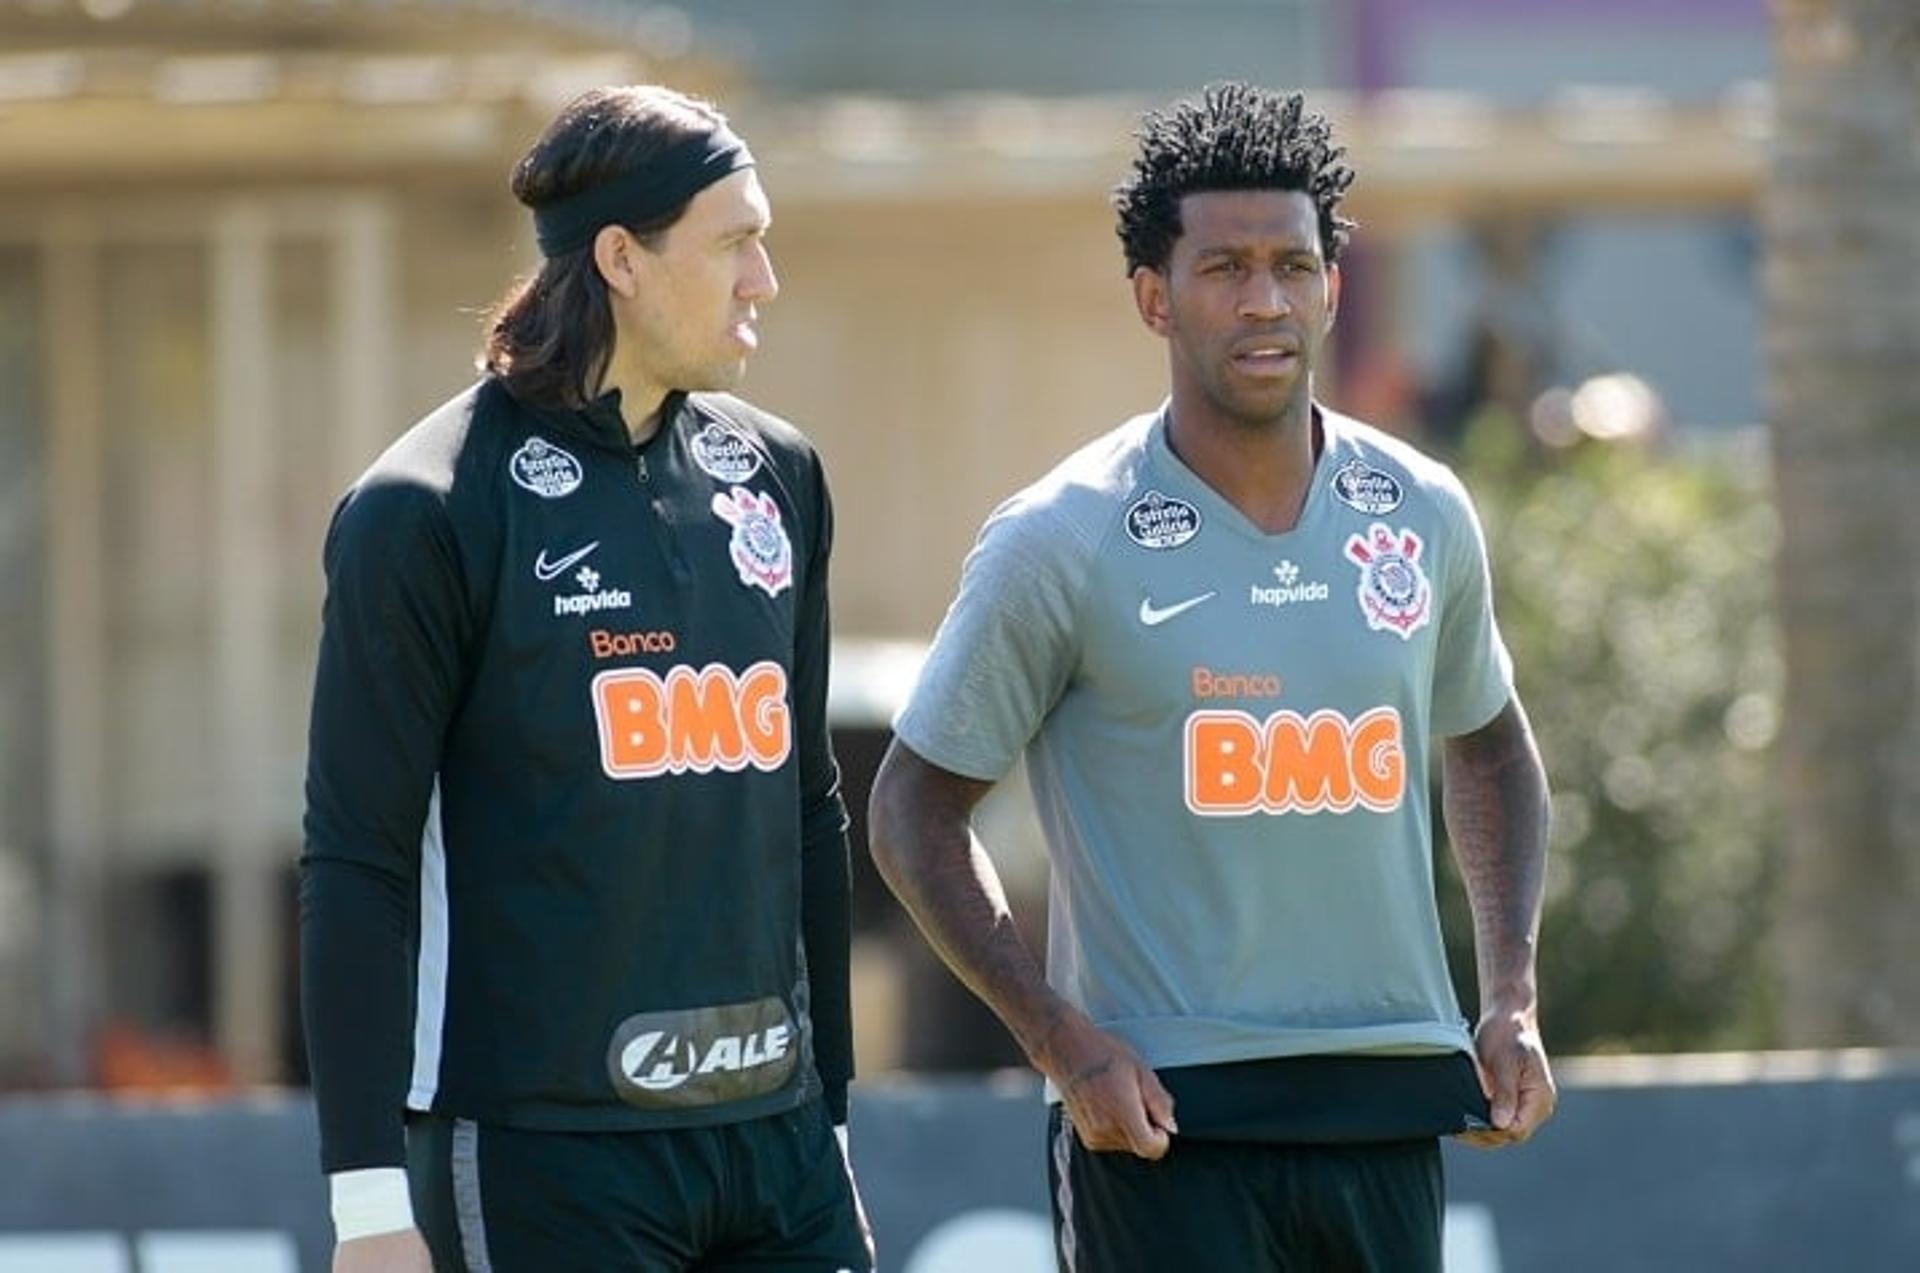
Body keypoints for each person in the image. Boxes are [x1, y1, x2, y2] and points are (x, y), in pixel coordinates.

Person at [868, 83, 1553, 1272]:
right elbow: (911, 812)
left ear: (1334, 285)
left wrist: (1511, 994)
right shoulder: (1060, 537)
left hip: (1386, 1099)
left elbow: (1489, 742)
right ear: (1154, 296)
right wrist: (1060, 1039)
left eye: (1293, 265)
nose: (1264, 301)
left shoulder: (1423, 512)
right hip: (1162, 1121)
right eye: (1224, 266)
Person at [301, 85, 870, 1272]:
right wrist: (366, 1203)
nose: (763, 277)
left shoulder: (779, 474)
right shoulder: (425, 508)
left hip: (777, 1149)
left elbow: (809, 808)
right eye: (735, 241)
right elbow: (358, 863)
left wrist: (832, 1121)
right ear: (622, 257)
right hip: (541, 1155)